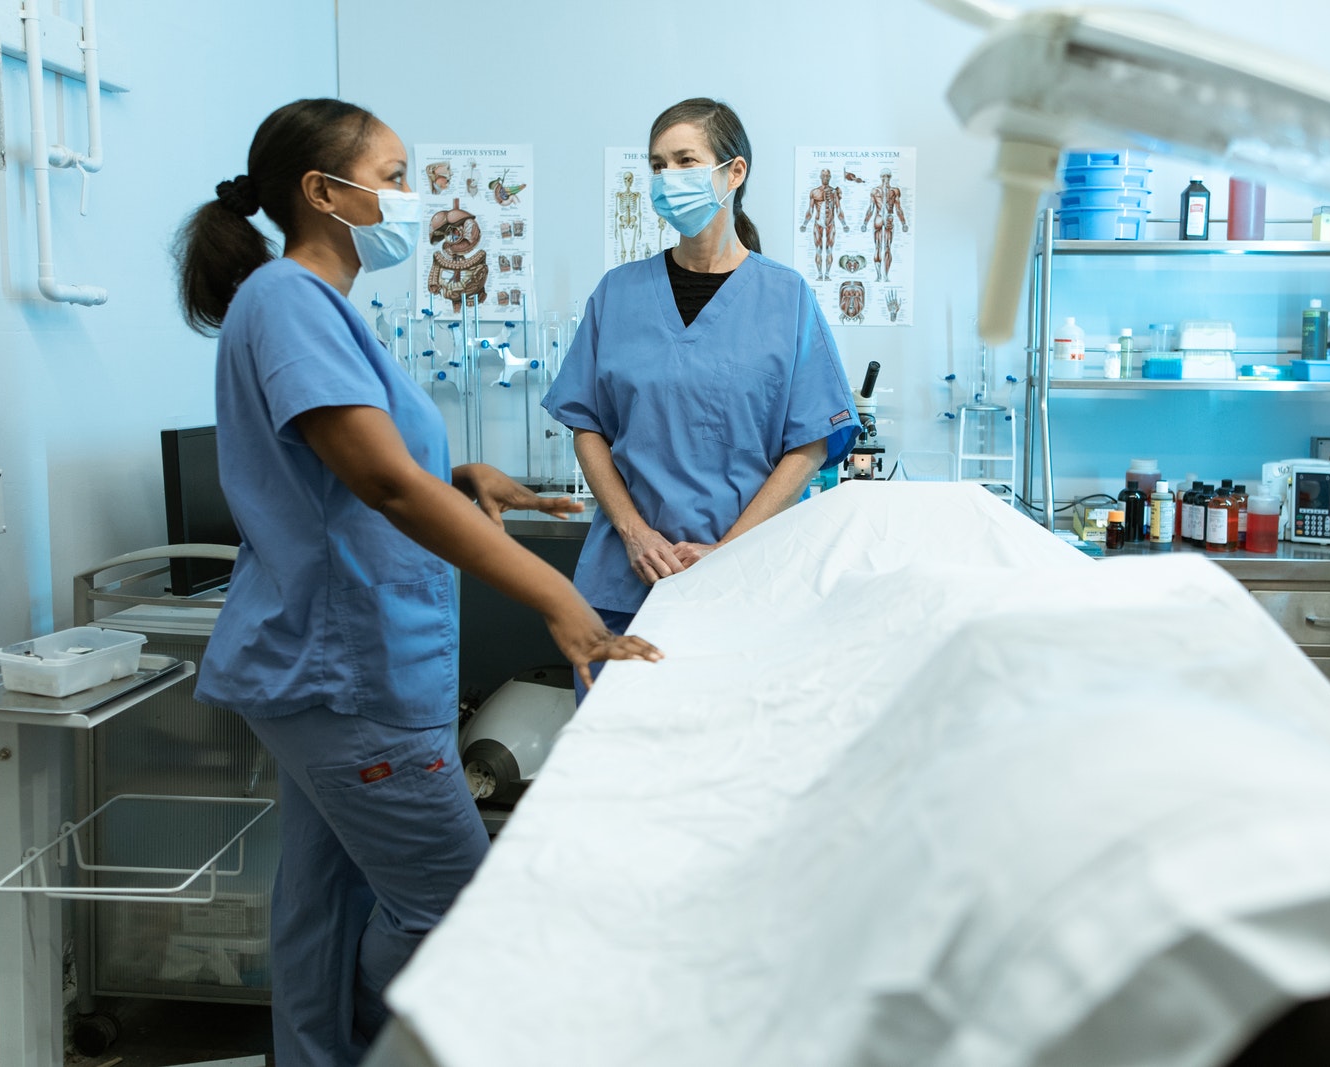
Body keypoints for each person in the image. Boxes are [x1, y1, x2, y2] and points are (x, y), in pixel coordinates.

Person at [171, 98, 662, 1067]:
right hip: (347, 669)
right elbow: (380, 479)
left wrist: (464, 477)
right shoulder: (286, 301)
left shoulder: (318, 308)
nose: (411, 196)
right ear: (322, 192)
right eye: (393, 175)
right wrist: (560, 599)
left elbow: (358, 467)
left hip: (333, 668)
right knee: (454, 909)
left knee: (324, 897)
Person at [541, 97, 858, 699]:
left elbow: (811, 443)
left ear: (732, 172)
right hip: (625, 579)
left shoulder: (786, 298)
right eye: (657, 165)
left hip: (744, 582)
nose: (667, 179)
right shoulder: (618, 294)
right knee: (615, 762)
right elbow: (586, 425)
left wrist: (730, 553)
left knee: (725, 763)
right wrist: (634, 533)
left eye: (685, 160)